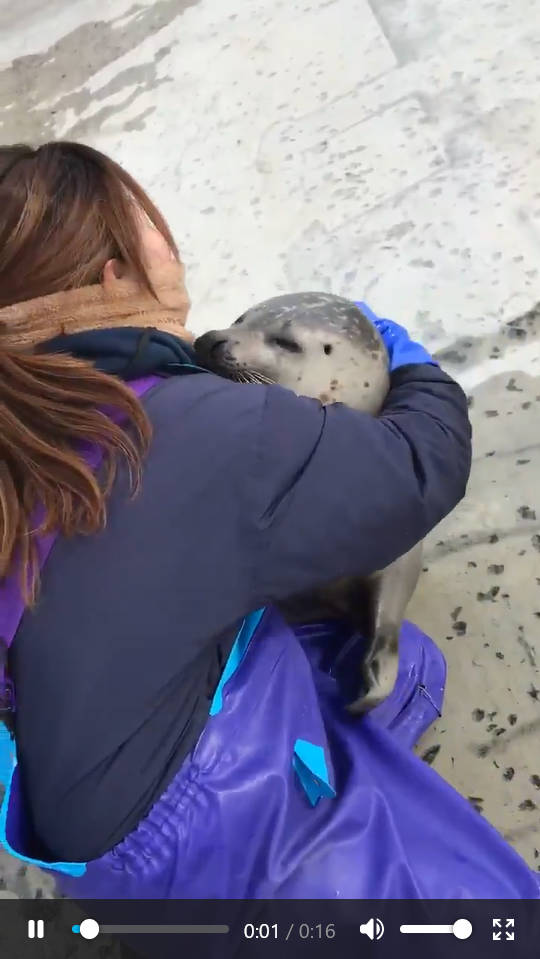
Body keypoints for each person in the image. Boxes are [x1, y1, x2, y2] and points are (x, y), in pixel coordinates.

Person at [0, 139, 506, 903]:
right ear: (116, 273)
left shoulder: (37, 402)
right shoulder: (183, 432)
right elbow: (416, 467)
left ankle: (323, 786)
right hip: (179, 819)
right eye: (148, 225)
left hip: (65, 781)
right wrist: (408, 364)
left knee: (404, 670)